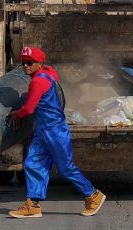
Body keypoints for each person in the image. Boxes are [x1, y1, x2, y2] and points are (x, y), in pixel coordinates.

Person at [8, 46, 106, 218]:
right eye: (23, 62)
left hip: (55, 131)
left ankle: (93, 195)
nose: (25, 66)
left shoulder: (37, 82)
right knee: (32, 164)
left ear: (39, 63)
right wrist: (47, 68)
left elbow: (29, 109)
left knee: (66, 168)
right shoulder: (47, 75)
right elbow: (53, 73)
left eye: (30, 63)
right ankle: (33, 204)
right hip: (42, 131)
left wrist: (16, 114)